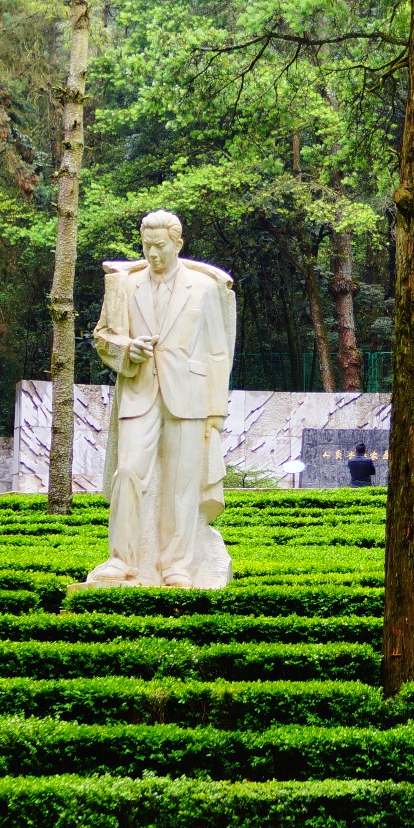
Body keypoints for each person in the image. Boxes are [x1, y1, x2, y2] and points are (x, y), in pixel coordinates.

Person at [84, 210, 238, 589]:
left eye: (160, 247)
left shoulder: (203, 289)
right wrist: (126, 348)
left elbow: (220, 352)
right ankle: (122, 560)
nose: (152, 254)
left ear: (177, 244)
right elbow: (103, 336)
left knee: (183, 484)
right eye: (146, 246)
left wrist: (216, 413)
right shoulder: (125, 286)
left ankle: (177, 567)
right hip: (139, 392)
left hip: (191, 396)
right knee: (128, 472)